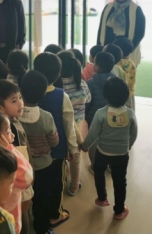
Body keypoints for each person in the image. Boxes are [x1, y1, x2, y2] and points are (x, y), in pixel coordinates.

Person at [81, 76, 137, 220]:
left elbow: (93, 134)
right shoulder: (130, 114)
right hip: (121, 154)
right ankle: (119, 210)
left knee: (99, 173)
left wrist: (85, 146)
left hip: (102, 152)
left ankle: (102, 198)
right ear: (126, 95)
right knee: (120, 181)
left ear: (105, 95)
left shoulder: (101, 113)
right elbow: (134, 133)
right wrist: (129, 145)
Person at [33, 52, 78, 229]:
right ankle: (55, 214)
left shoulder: (28, 93)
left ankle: (37, 213)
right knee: (57, 183)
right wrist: (73, 148)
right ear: (58, 74)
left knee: (38, 183)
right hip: (57, 151)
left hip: (34, 150)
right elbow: (69, 125)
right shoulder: (61, 95)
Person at [18, 70, 60, 235]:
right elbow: (54, 141)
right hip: (44, 165)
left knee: (23, 197)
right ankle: (42, 228)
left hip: (22, 166)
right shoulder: (46, 117)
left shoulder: (15, 115)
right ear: (43, 93)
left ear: (21, 91)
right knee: (42, 199)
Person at [57, 51, 91, 196]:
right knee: (76, 156)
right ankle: (75, 185)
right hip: (78, 123)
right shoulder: (82, 84)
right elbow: (88, 99)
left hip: (61, 124)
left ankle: (62, 175)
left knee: (61, 151)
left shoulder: (58, 86)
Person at [97, 0, 145, 66]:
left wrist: (128, 51)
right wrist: (99, 48)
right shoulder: (108, 8)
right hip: (108, 51)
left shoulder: (136, 10)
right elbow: (101, 30)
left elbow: (140, 33)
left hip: (127, 53)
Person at [85, 52, 116, 172]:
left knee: (94, 142)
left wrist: (86, 115)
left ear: (97, 67)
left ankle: (95, 165)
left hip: (94, 118)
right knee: (111, 140)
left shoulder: (91, 83)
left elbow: (87, 103)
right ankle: (111, 164)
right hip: (113, 116)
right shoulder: (117, 81)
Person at [113, 37, 137, 111]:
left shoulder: (117, 64)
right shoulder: (132, 63)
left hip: (119, 95)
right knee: (129, 113)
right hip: (130, 93)